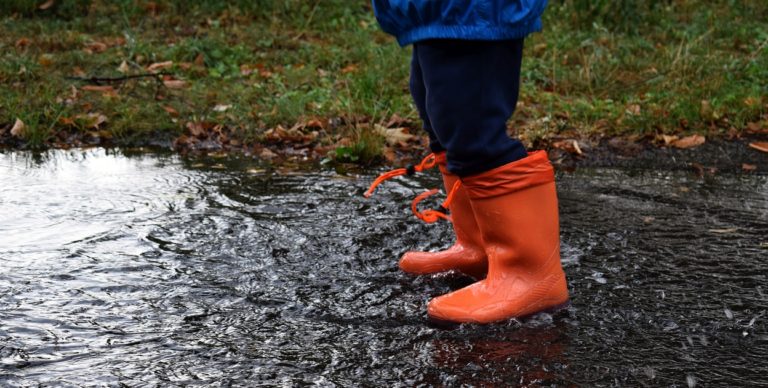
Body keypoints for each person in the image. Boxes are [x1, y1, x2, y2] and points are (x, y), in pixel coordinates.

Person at [368, 0, 570, 324]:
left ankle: (528, 275)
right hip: (437, 14)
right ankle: (479, 247)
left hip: (471, 12)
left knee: (471, 128)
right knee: (442, 118)